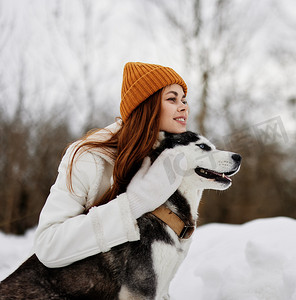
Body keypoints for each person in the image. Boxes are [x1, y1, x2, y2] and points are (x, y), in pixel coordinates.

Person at [33, 62, 189, 268]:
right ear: (146, 105)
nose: (184, 106)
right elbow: (48, 245)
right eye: (172, 99)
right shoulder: (89, 157)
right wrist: (133, 205)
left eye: (184, 100)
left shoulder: (172, 161)